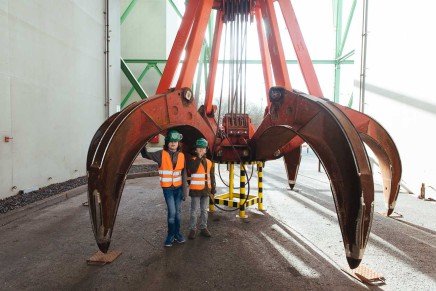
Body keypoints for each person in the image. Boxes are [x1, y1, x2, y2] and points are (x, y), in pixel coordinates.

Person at [141, 129, 188, 247]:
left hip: (178, 189)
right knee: (172, 212)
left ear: (178, 143)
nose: (173, 143)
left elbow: (183, 174)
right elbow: (146, 154)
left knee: (178, 212)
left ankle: (177, 234)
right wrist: (143, 143)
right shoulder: (161, 154)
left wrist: (184, 191)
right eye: (171, 141)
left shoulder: (182, 156)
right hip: (168, 190)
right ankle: (170, 235)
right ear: (167, 142)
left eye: (175, 141)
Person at [187, 138, 216, 239]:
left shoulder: (209, 162)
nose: (201, 150)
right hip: (196, 190)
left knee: (204, 210)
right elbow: (192, 169)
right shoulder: (192, 160)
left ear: (206, 150)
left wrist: (213, 188)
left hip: (206, 190)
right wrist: (199, 158)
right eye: (199, 148)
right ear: (196, 150)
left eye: (203, 148)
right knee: (194, 210)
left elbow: (212, 176)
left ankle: (204, 227)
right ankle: (192, 229)